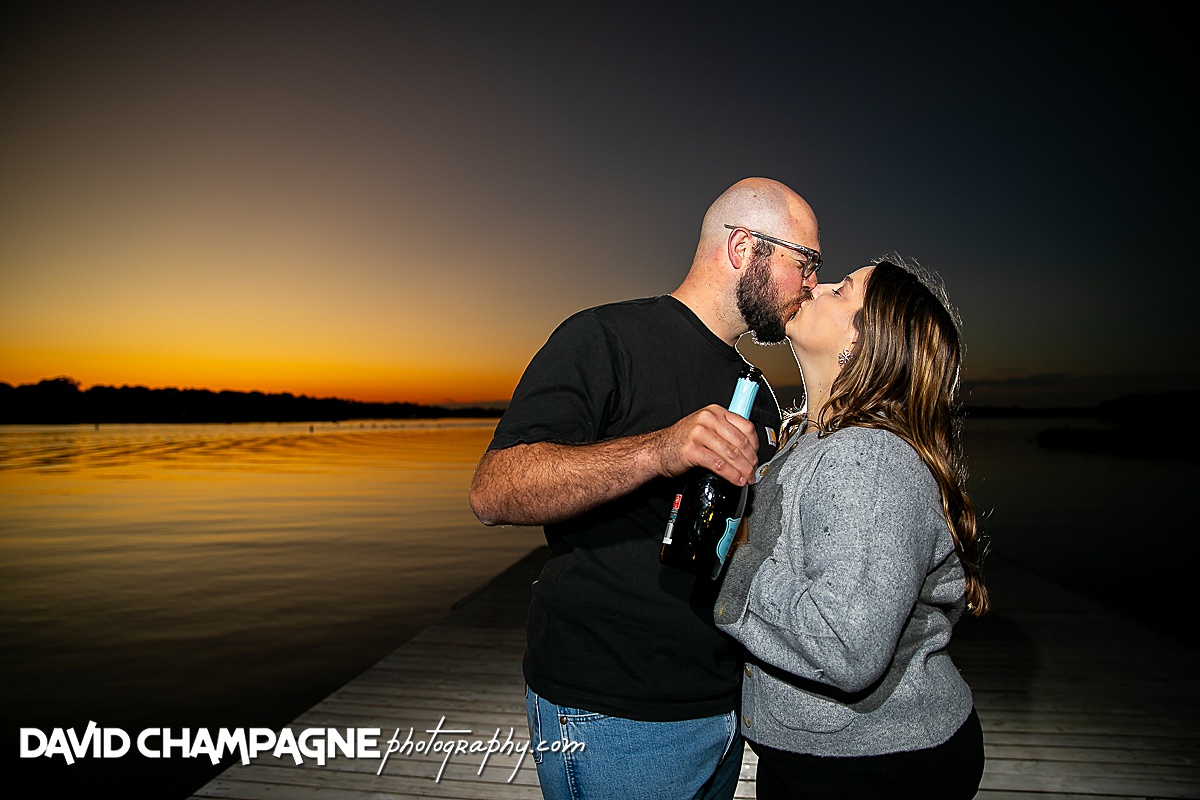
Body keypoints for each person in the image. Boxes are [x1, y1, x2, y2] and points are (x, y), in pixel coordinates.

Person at [469, 177, 821, 800]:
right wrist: (659, 451)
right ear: (743, 247)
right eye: (806, 262)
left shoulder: (757, 392)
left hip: (723, 704)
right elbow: (494, 491)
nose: (812, 284)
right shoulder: (605, 338)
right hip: (613, 712)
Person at [715, 256, 988, 799]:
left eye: (842, 290)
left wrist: (723, 560)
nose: (817, 286)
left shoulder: (869, 460)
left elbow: (846, 647)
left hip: (877, 764)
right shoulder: (808, 442)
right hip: (822, 753)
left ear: (862, 345)